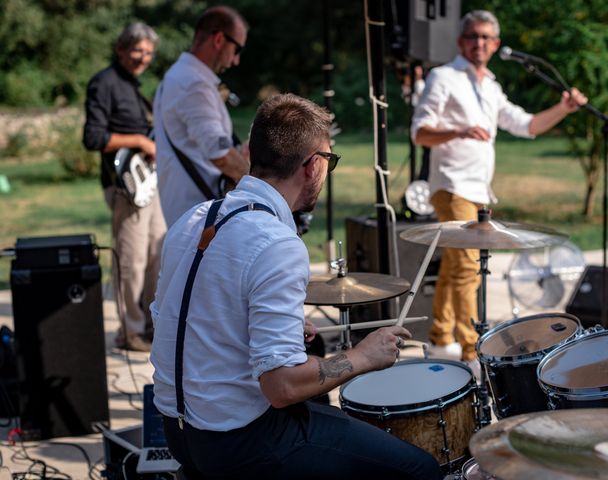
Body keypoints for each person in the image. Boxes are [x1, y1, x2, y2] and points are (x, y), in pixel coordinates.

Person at [150, 94, 442, 480]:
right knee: (420, 468)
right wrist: (364, 356)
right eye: (330, 161)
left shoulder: (195, 219)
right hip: (239, 441)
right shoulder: (276, 244)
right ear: (312, 165)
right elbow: (282, 387)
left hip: (178, 430)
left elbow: (177, 317)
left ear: (253, 151)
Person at [411, 10, 587, 371]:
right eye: (473, 36)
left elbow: (527, 125)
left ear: (495, 44)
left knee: (457, 267)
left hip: (478, 191)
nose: (479, 43)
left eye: (486, 37)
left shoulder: (491, 86)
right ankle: (472, 352)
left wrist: (563, 109)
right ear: (461, 41)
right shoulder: (443, 77)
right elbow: (420, 132)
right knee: (468, 266)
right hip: (451, 185)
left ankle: (441, 339)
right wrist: (459, 131)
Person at [83, 23, 166, 352]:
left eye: (148, 53)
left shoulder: (133, 85)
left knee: (157, 256)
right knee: (130, 261)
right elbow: (93, 137)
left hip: (149, 186)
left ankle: (148, 326)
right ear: (120, 49)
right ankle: (130, 332)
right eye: (137, 51)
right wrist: (141, 142)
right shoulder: (104, 84)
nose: (143, 58)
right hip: (125, 188)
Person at [153, 5, 250, 227]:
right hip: (201, 218)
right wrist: (263, 186)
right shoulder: (192, 84)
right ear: (218, 40)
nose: (236, 61)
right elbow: (221, 155)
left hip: (192, 213)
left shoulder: (179, 76)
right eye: (237, 50)